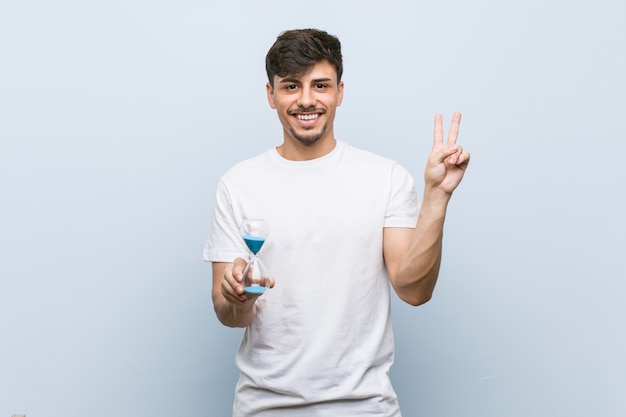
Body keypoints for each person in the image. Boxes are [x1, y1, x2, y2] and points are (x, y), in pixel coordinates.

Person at [204, 28, 470, 417]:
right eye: (292, 86)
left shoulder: (386, 177)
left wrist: (437, 197)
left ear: (340, 93)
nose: (307, 100)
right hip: (266, 407)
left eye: (321, 85)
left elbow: (414, 291)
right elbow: (229, 315)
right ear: (271, 95)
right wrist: (237, 297)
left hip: (366, 408)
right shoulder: (238, 184)